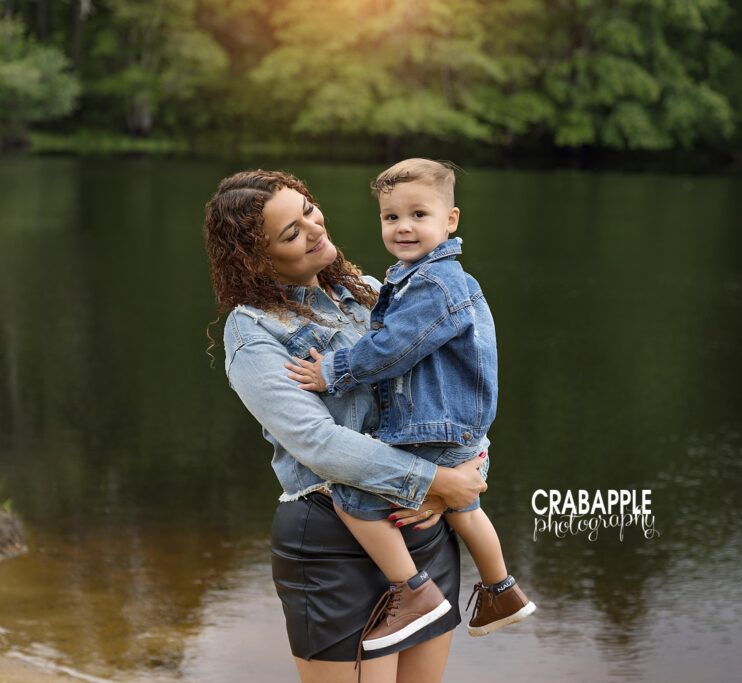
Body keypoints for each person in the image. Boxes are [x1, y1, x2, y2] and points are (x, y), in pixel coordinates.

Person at [204, 169, 489, 683]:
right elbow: (320, 444)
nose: (314, 229)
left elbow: (462, 381)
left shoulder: (376, 294)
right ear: (255, 259)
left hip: (423, 527)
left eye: (309, 211)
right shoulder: (253, 330)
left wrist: (468, 471)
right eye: (291, 233)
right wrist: (438, 483)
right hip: (334, 544)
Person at [285, 159, 535, 651]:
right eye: (390, 217)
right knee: (465, 507)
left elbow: (394, 348)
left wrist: (332, 371)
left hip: (434, 427)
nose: (403, 227)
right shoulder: (413, 277)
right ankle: (501, 589)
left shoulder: (435, 285)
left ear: (451, 220)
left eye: (419, 214)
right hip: (451, 425)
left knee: (352, 499)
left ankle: (412, 591)